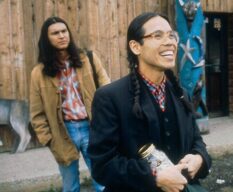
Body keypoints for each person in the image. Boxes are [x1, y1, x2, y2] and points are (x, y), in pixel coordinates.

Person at [88, 12, 211, 192]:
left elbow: (196, 141)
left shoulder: (181, 94)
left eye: (171, 35)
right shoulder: (110, 97)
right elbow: (102, 166)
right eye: (157, 35)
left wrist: (199, 158)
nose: (169, 42)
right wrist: (155, 177)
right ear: (136, 46)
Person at [30, 16, 110, 192]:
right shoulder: (39, 73)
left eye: (64, 31)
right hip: (63, 133)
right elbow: (36, 113)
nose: (61, 36)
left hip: (92, 128)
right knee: (70, 186)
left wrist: (106, 124)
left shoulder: (89, 59)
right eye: (55, 33)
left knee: (103, 182)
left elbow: (108, 92)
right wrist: (48, 140)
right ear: (47, 38)